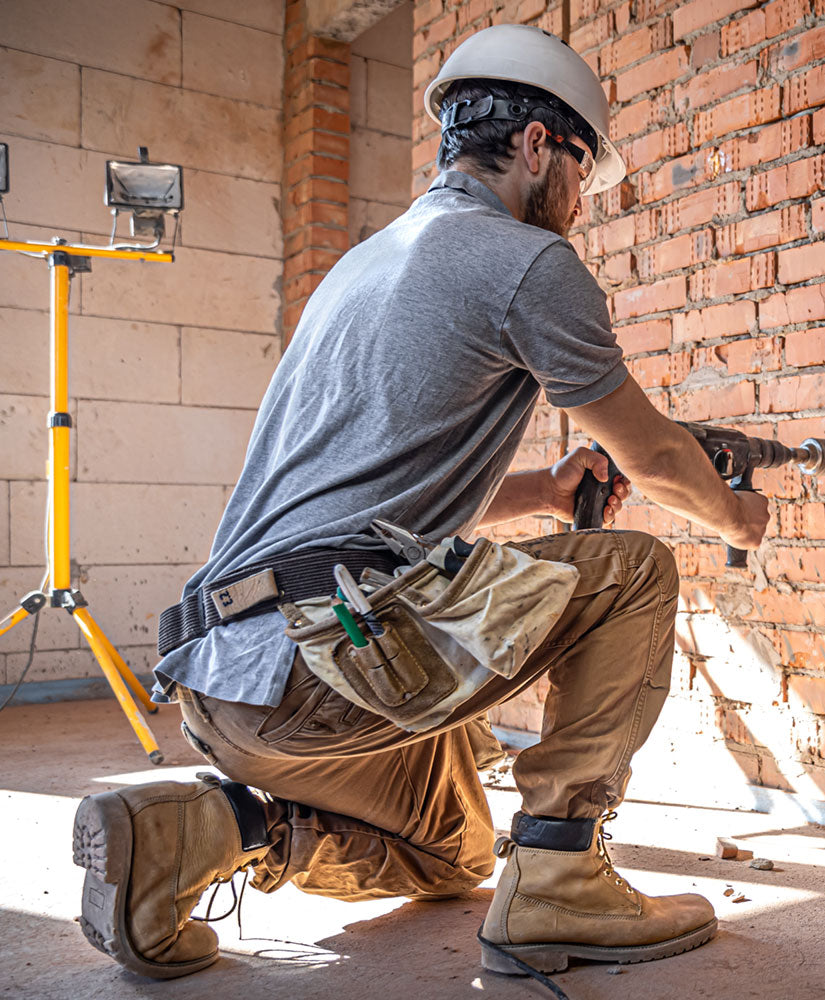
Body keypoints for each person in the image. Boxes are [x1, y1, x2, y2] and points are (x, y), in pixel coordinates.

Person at [72, 23, 769, 986]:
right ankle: (564, 872)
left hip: (222, 683)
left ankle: (210, 828)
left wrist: (536, 491)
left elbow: (362, 505)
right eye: (578, 171)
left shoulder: (363, 265)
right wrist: (736, 521)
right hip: (326, 666)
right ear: (537, 147)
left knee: (460, 856)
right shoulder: (529, 261)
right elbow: (651, 453)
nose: (578, 205)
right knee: (637, 573)